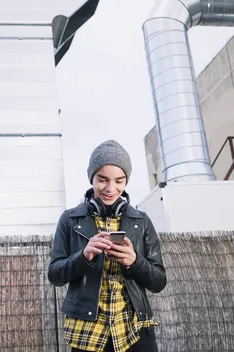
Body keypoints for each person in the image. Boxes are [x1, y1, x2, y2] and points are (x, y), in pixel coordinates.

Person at [48, 140, 167, 352]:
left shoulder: (142, 221)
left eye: (119, 181)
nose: (111, 189)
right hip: (87, 331)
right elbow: (55, 275)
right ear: (91, 178)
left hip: (135, 329)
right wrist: (83, 257)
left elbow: (158, 282)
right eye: (102, 180)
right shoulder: (69, 219)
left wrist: (135, 261)